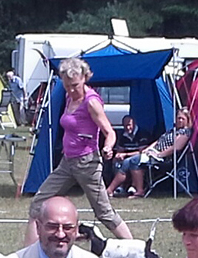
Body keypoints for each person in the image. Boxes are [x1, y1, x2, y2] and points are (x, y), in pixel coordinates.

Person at [24, 58, 133, 245]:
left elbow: (109, 132)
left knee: (104, 212)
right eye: (67, 86)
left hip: (87, 163)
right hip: (67, 162)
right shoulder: (68, 97)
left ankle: (136, 250)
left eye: (75, 85)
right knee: (38, 204)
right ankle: (28, 256)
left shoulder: (91, 103)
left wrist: (107, 147)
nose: (71, 90)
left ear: (84, 78)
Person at [106, 108, 193, 199]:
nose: (180, 120)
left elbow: (175, 148)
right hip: (154, 153)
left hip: (164, 159)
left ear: (187, 120)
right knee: (127, 162)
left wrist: (159, 154)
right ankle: (111, 190)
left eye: (182, 118)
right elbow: (158, 141)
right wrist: (148, 149)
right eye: (178, 118)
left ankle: (139, 191)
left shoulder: (185, 132)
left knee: (135, 160)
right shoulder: (173, 130)